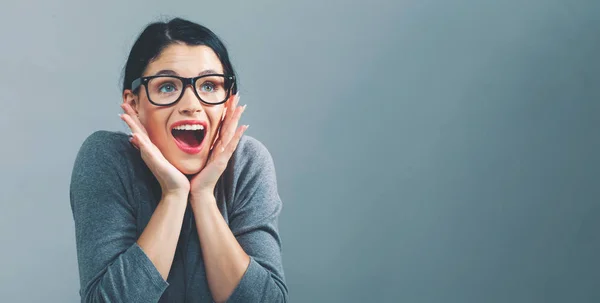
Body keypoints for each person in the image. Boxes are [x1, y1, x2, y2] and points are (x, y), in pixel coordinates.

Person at [69, 17, 288, 303]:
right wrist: (174, 195)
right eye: (167, 87)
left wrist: (204, 197)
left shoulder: (247, 163)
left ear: (228, 102)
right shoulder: (107, 158)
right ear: (134, 104)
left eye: (209, 86)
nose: (191, 105)